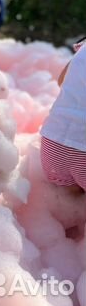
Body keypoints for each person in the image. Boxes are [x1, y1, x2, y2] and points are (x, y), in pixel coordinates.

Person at [40, 41, 86, 194]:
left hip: (53, 144)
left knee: (68, 206)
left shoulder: (84, 46)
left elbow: (61, 81)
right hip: (83, 150)